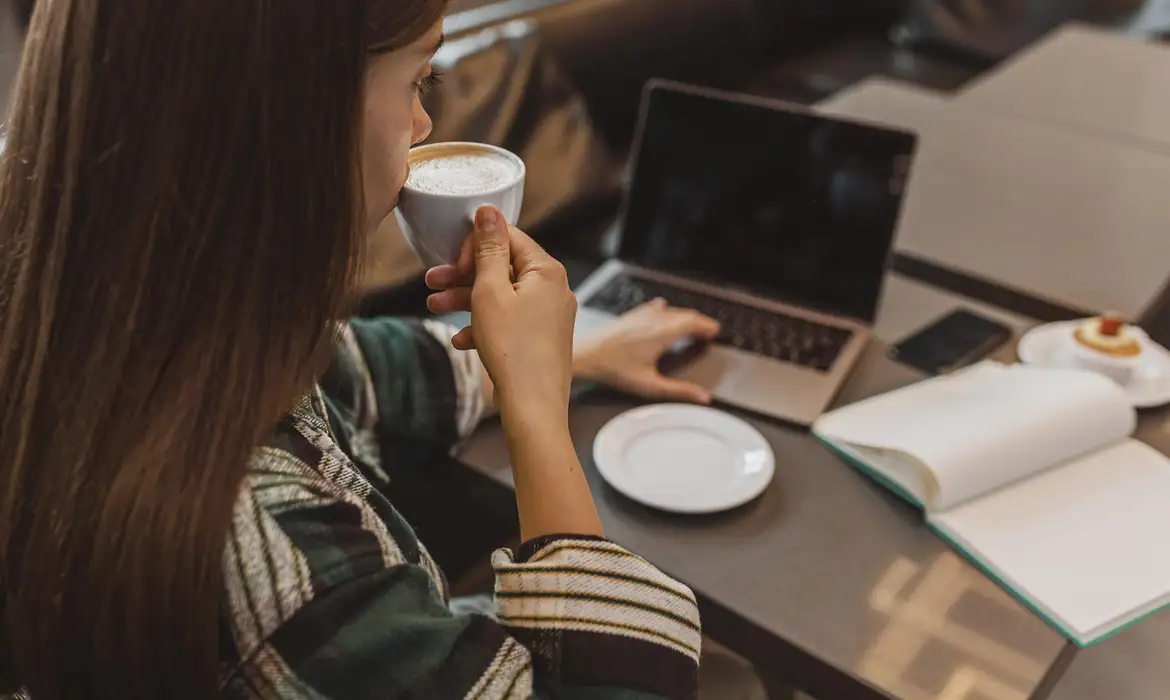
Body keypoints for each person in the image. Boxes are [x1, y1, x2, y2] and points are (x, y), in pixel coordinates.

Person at [0, 1, 725, 698]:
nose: (423, 122)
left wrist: (576, 356)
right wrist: (536, 410)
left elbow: (351, 370)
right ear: (287, 114)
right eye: (418, 80)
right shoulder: (274, 559)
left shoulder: (114, 328)